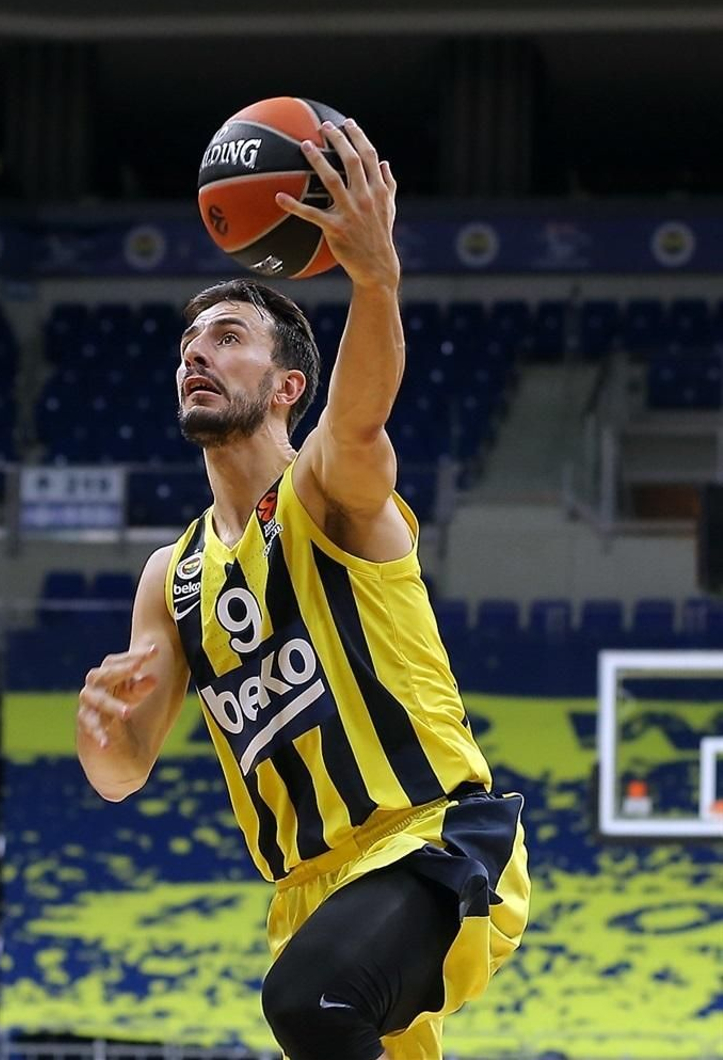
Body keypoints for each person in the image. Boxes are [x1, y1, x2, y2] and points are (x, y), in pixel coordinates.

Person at [73, 119, 529, 1059]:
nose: (195, 354)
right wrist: (102, 738)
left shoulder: (326, 486)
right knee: (314, 996)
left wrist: (375, 275)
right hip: (307, 897)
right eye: (189, 343)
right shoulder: (174, 575)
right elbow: (124, 777)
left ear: (285, 386)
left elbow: (361, 411)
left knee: (310, 999)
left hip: (432, 840)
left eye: (227, 337)